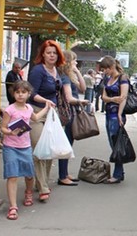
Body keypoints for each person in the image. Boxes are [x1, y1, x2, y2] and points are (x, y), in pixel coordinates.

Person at [1, 80, 51, 220]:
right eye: (17, 92)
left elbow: (35, 118)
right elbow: (3, 127)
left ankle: (29, 192)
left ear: (29, 94)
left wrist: (46, 108)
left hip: (25, 147)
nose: (20, 95)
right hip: (10, 146)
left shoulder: (29, 108)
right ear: (14, 94)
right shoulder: (10, 109)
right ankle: (13, 206)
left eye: (23, 92)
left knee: (29, 174)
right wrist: (10, 132)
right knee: (12, 175)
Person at [27, 39, 65, 202]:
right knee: (39, 149)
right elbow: (30, 93)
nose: (52, 55)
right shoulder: (38, 71)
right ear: (42, 54)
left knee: (49, 150)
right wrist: (45, 101)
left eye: (54, 53)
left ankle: (41, 182)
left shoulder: (57, 71)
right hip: (36, 113)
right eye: (48, 52)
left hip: (52, 115)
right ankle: (43, 187)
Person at [57, 50, 89, 186]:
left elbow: (83, 88)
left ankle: (64, 173)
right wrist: (82, 102)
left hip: (71, 112)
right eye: (74, 60)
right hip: (69, 113)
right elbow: (69, 98)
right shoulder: (64, 77)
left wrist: (76, 71)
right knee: (66, 144)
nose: (76, 62)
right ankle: (62, 176)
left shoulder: (69, 76)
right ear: (68, 61)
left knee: (68, 144)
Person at [99, 55, 129, 184]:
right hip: (108, 113)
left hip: (116, 115)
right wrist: (112, 99)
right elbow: (103, 97)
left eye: (105, 69)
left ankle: (117, 175)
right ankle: (119, 172)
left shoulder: (123, 78)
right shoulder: (108, 79)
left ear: (111, 67)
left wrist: (119, 114)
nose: (104, 72)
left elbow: (123, 97)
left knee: (116, 145)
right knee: (113, 144)